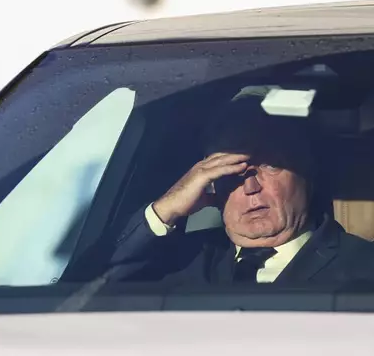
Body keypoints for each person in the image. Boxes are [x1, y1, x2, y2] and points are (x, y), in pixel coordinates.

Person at [66, 87, 374, 286]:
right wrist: (166, 209)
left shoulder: (364, 268)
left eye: (269, 165)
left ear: (307, 171)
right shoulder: (174, 262)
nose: (250, 186)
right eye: (230, 171)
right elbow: (73, 297)